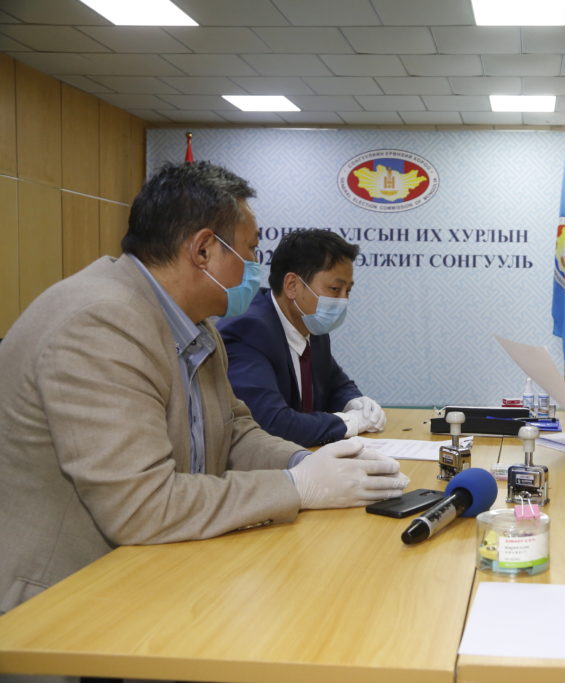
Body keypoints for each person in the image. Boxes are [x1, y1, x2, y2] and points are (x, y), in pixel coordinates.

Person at [0, 161, 409, 616]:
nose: (255, 267)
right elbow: (143, 505)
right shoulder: (100, 323)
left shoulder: (195, 325)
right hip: (62, 604)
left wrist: (308, 464)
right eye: (250, 250)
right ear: (203, 250)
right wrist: (296, 486)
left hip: (152, 574)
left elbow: (233, 432)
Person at [217, 229, 385, 448]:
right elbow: (272, 424)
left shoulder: (312, 324)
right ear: (292, 286)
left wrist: (354, 403)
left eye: (348, 291)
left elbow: (335, 384)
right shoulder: (248, 331)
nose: (343, 300)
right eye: (335, 289)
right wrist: (348, 423)